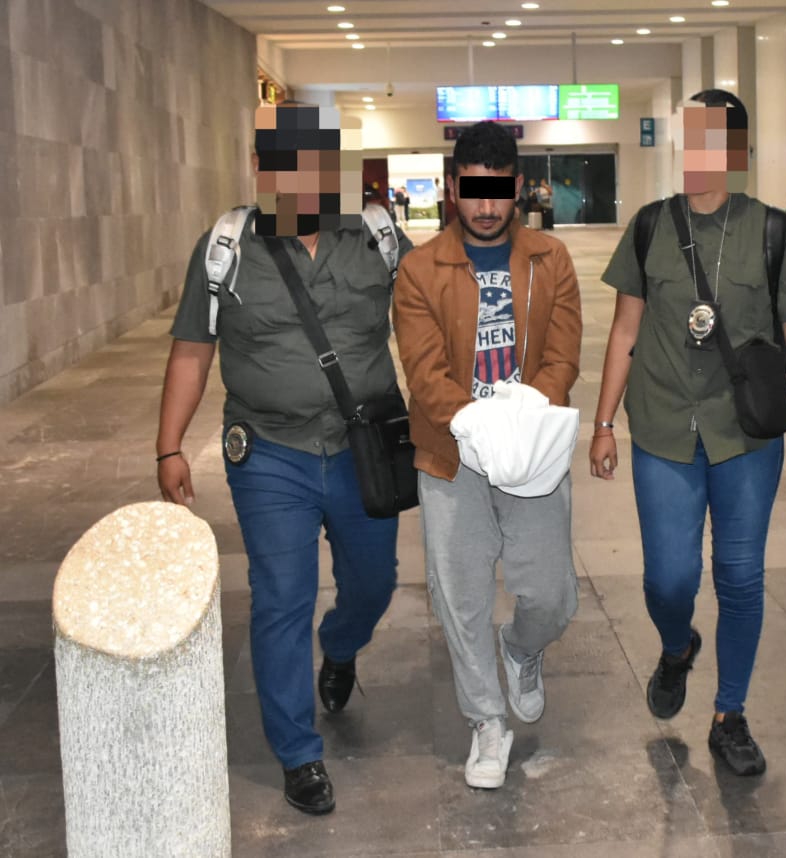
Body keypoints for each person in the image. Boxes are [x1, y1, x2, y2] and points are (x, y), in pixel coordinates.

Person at [156, 103, 413, 815]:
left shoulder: (375, 236)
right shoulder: (226, 247)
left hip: (364, 450)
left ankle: (342, 645)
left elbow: (429, 318)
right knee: (280, 598)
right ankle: (298, 754)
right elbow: (192, 350)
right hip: (270, 452)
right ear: (260, 169)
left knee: (374, 583)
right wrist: (169, 445)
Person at [591, 90, 786, 776]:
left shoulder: (771, 230)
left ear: (736, 151)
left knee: (740, 576)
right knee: (668, 579)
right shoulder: (650, 225)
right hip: (664, 427)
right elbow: (625, 329)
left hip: (744, 435)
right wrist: (603, 423)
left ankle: (730, 715)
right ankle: (677, 646)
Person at [393, 121, 582, 789]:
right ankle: (486, 722)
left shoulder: (550, 260)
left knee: (552, 594)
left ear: (517, 189)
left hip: (531, 452)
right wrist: (480, 427)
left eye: (497, 191)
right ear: (452, 189)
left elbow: (562, 356)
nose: (485, 206)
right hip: (452, 455)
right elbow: (424, 373)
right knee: (461, 597)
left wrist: (521, 420)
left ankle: (522, 649)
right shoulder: (419, 270)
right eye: (472, 191)